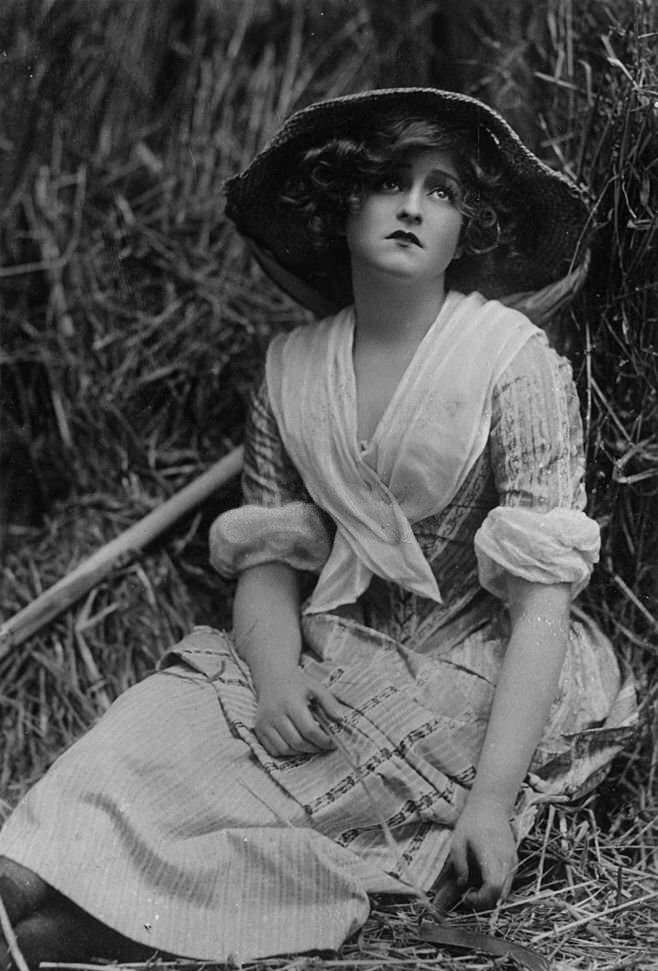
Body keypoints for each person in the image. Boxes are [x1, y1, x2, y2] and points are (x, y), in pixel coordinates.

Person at [0, 88, 636, 969]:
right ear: (342, 201)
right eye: (388, 181)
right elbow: (268, 568)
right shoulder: (293, 370)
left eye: (442, 191)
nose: (413, 206)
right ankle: (18, 879)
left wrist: (491, 801)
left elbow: (541, 604)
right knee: (155, 719)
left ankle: (56, 934)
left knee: (294, 805)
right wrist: (272, 677)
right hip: (331, 645)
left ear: (468, 228)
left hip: (477, 664)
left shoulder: (512, 362)